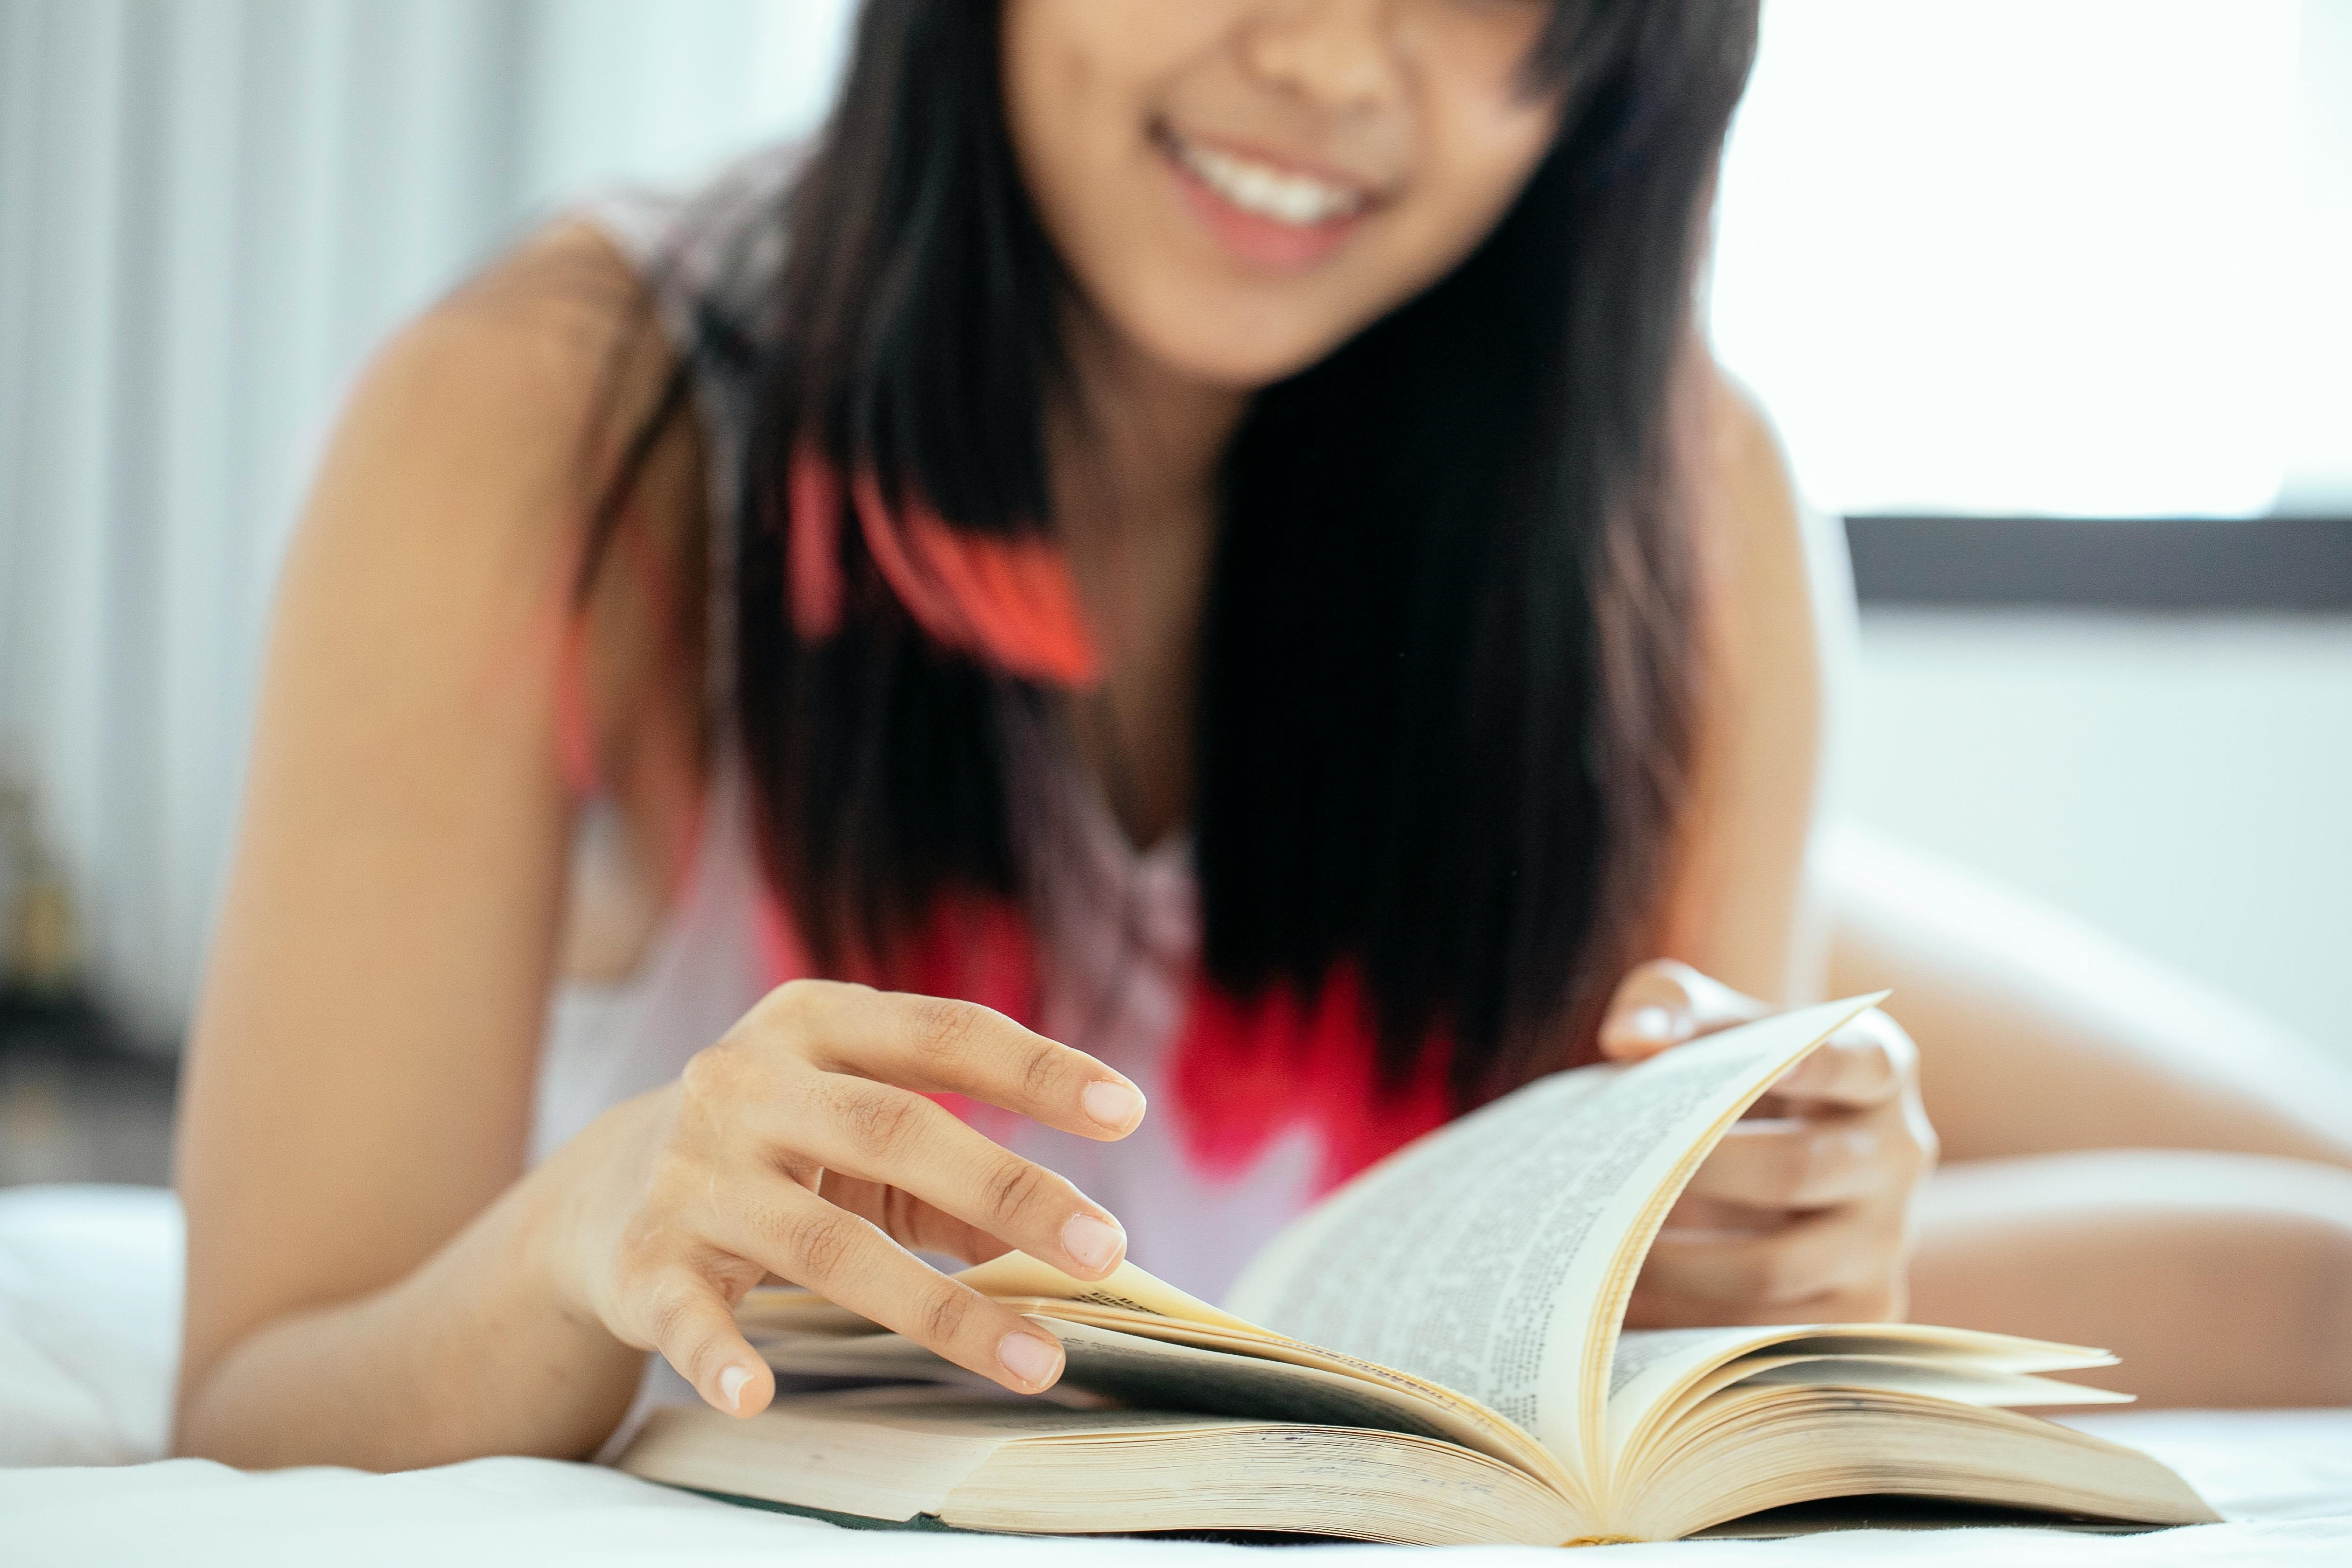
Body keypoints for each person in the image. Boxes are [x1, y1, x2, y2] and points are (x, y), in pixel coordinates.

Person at [174, 0, 2352, 1471]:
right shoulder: (552, 426)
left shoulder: (1685, 517)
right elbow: (259, 1394)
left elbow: (1646, 1343)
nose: (1322, 58)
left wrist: (1781, 1272)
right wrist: (586, 1232)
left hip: (1446, 899)